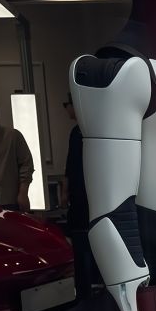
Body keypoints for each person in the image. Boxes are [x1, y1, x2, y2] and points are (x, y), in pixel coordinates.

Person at [60, 94, 89, 230]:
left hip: (82, 192)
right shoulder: (76, 132)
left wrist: (64, 192)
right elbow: (70, 165)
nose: (66, 108)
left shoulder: (80, 132)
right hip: (80, 192)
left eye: (67, 105)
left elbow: (70, 165)